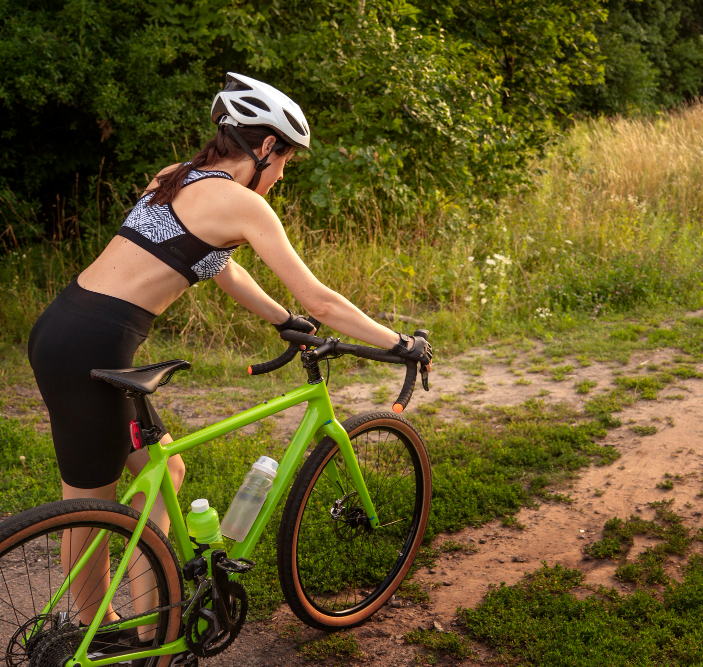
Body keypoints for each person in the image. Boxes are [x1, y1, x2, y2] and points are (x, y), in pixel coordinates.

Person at [26, 72, 432, 651]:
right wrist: (399, 343)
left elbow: (216, 263)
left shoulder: (175, 178)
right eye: (286, 159)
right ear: (265, 146)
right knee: (89, 507)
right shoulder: (241, 203)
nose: (284, 173)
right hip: (92, 346)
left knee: (162, 472)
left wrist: (279, 319)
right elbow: (321, 298)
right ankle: (96, 638)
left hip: (64, 326)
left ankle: (153, 625)